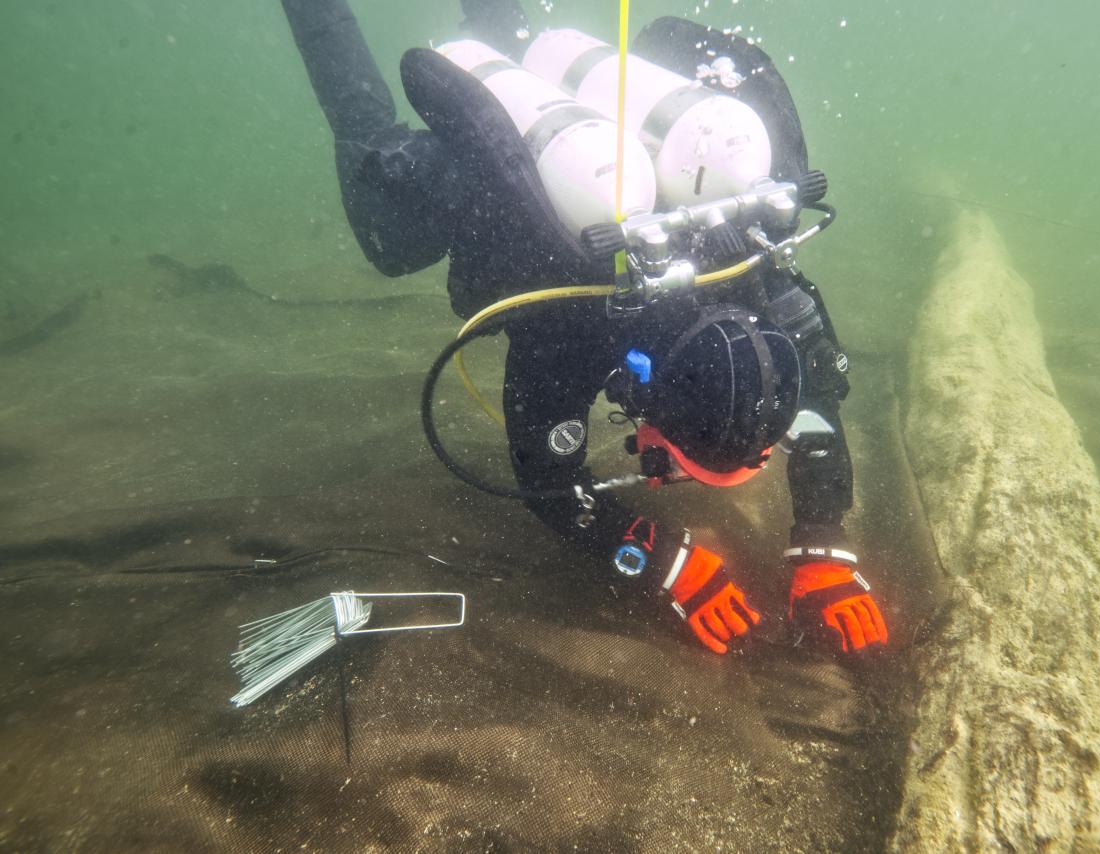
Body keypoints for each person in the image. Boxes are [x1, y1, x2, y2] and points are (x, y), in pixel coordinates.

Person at [280, 0, 888, 656]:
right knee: (388, 238)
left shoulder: (759, 271)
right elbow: (547, 478)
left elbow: (816, 400)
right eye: (684, 463)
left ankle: (503, 38)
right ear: (652, 402)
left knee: (508, 58)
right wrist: (663, 561)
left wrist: (824, 548)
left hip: (591, 163)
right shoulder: (570, 328)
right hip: (486, 182)